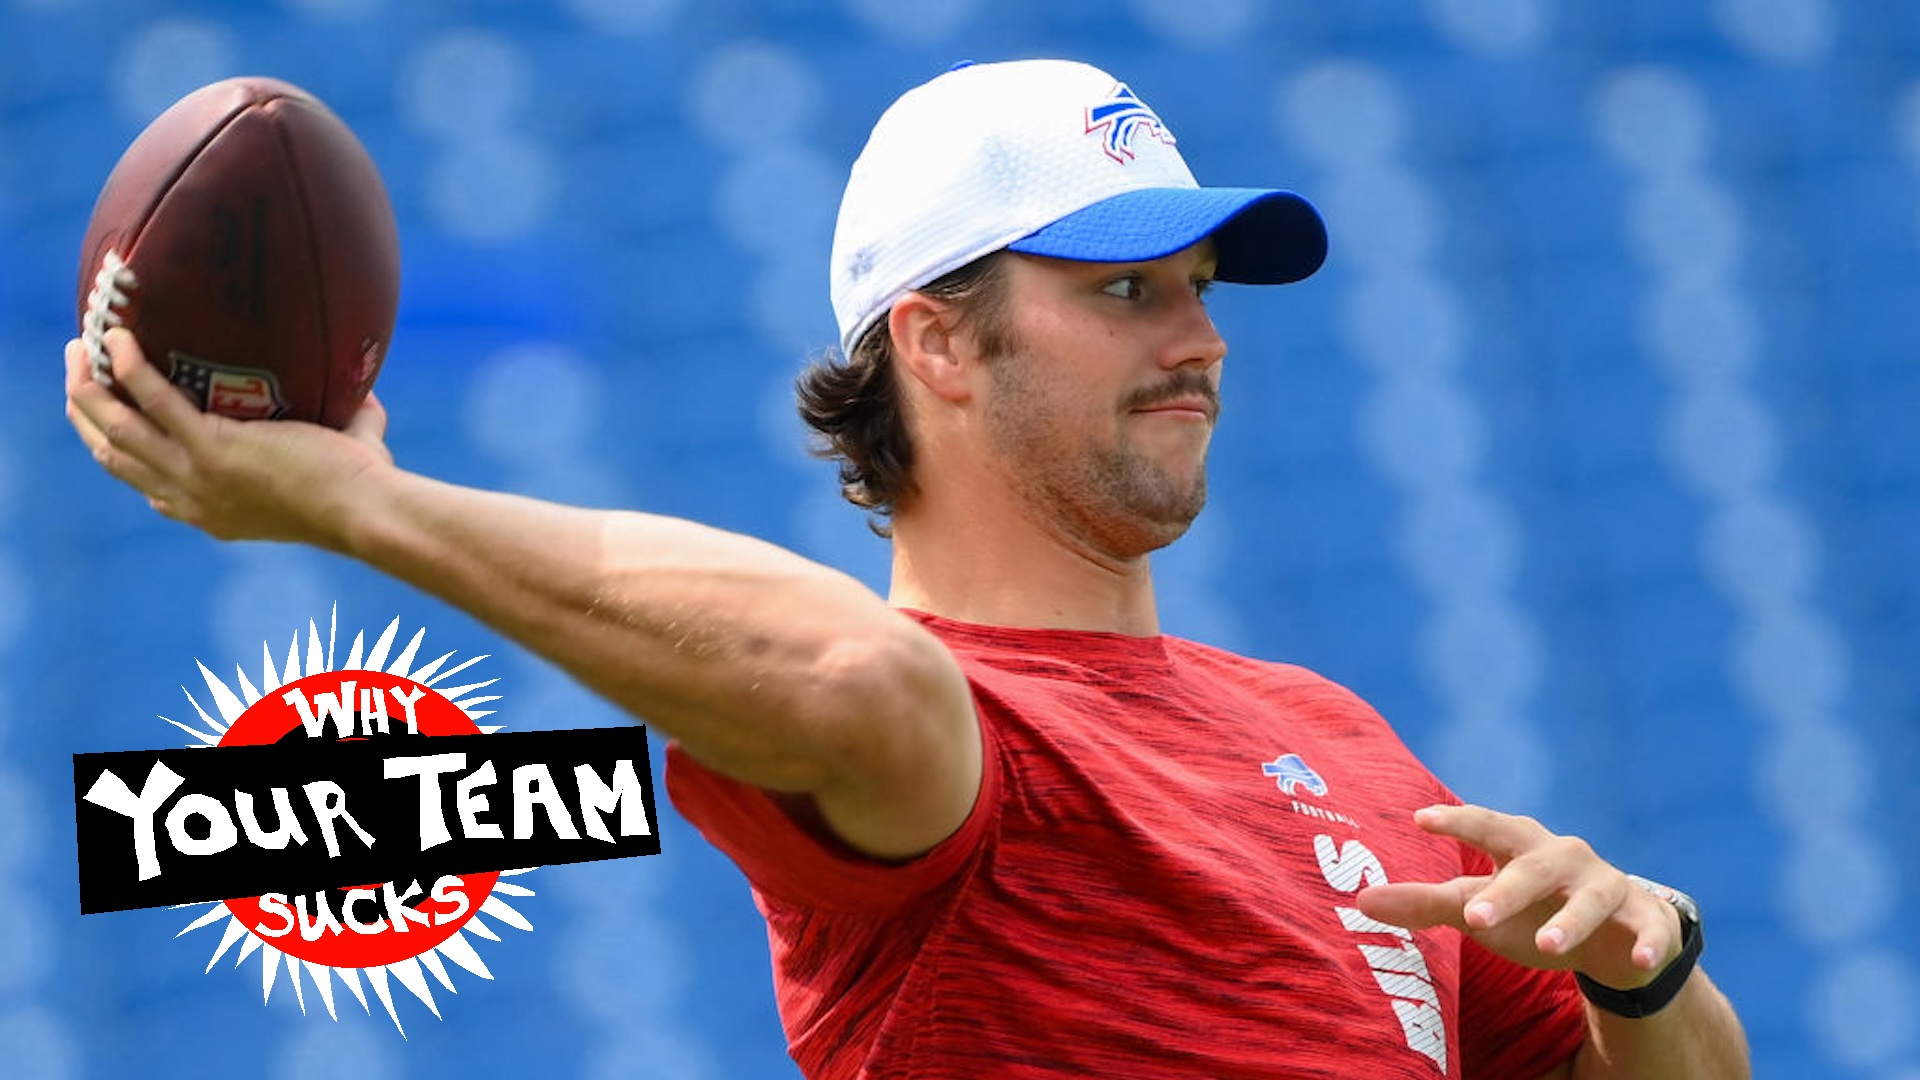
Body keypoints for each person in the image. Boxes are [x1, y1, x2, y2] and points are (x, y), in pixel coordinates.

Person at [66, 58, 1748, 1079]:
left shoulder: (1334, 734)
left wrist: (1641, 971)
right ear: (936, 342)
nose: (1202, 342)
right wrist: (359, 506)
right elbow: (863, 680)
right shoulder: (952, 736)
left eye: (1201, 286)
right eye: (1121, 291)